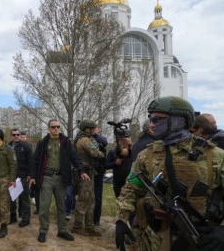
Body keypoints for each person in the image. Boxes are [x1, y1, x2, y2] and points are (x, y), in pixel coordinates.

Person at [115, 96, 224, 251]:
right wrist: (121, 219)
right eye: (150, 118)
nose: (152, 124)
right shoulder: (147, 155)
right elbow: (133, 188)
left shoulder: (215, 156)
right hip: (154, 238)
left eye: (157, 119)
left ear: (181, 120)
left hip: (201, 239)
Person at [30, 119, 90, 243]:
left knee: (62, 206)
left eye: (58, 127)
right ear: (48, 128)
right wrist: (33, 176)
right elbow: (35, 161)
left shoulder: (66, 142)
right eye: (53, 127)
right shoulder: (43, 142)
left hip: (61, 178)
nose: (56, 129)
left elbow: (75, 157)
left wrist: (81, 171)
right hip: (46, 177)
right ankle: (43, 231)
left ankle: (62, 230)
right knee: (44, 206)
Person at [71, 119, 105, 236]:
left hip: (88, 172)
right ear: (86, 129)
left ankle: (89, 226)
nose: (93, 130)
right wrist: (101, 153)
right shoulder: (84, 140)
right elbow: (96, 153)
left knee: (91, 200)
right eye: (92, 129)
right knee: (84, 199)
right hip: (84, 173)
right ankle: (78, 226)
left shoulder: (83, 138)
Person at [8, 128, 33, 227]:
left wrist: (30, 175)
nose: (16, 136)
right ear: (11, 136)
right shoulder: (8, 146)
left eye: (18, 134)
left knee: (24, 198)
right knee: (11, 198)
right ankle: (12, 216)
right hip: (11, 176)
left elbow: (31, 161)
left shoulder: (26, 146)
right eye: (14, 135)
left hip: (23, 176)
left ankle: (26, 218)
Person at [105, 128, 132, 198]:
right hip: (118, 181)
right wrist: (115, 163)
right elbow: (106, 165)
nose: (123, 142)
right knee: (119, 199)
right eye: (121, 140)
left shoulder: (133, 151)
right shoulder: (113, 152)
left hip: (130, 180)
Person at [92, 126, 107, 226]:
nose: (93, 130)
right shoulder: (86, 138)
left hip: (99, 170)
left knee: (97, 195)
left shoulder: (101, 139)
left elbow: (105, 143)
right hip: (88, 169)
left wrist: (95, 135)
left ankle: (96, 219)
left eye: (96, 128)